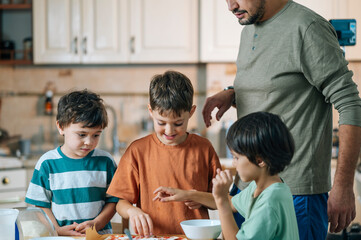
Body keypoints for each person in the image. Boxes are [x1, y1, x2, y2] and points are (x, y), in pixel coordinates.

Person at [202, 0, 361, 239]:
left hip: (296, 195)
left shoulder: (307, 28)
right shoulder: (248, 28)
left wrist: (344, 186)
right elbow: (275, 85)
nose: (230, 6)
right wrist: (232, 93)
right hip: (247, 191)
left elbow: (350, 104)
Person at [107, 70, 221, 236]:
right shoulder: (138, 151)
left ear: (191, 112)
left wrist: (196, 197)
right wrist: (133, 212)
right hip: (152, 237)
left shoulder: (204, 148)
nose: (169, 130)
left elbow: (220, 201)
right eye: (161, 122)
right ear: (150, 111)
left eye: (178, 123)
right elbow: (120, 203)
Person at [154, 112, 299, 239]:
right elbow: (232, 202)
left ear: (260, 160)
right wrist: (187, 195)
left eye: (236, 157)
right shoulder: (267, 187)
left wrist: (221, 200)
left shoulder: (269, 202)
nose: (234, 163)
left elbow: (225, 203)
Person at [25, 90, 118, 236]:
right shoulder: (47, 163)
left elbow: (114, 201)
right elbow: (40, 205)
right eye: (82, 134)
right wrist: (56, 230)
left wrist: (97, 223)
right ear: (61, 127)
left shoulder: (106, 162)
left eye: (96, 135)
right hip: (61, 237)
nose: (89, 142)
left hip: (98, 237)